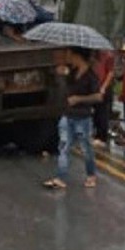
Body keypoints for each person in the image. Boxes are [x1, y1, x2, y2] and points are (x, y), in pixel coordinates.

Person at [43, 47, 102, 190]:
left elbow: (98, 96)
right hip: (68, 114)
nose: (68, 58)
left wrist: (79, 99)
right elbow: (64, 83)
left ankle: (91, 175)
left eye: (70, 55)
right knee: (63, 146)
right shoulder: (73, 72)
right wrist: (60, 72)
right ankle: (61, 177)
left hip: (82, 117)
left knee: (85, 148)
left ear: (78, 56)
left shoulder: (90, 75)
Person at [92, 49, 116, 146]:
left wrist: (103, 87)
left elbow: (110, 73)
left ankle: (102, 137)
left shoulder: (108, 56)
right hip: (95, 87)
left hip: (104, 88)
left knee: (102, 112)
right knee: (96, 112)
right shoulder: (93, 56)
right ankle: (97, 134)